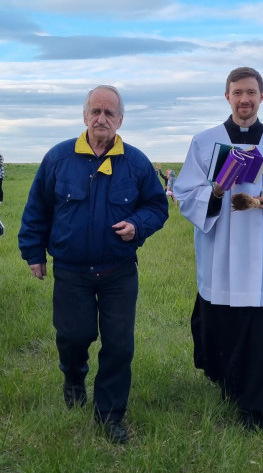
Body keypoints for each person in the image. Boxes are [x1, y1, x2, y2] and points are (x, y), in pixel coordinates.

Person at [18, 85, 168, 443]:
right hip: (71, 271)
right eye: (95, 111)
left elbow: (157, 206)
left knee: (119, 345)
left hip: (118, 272)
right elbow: (37, 209)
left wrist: (138, 225)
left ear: (120, 119)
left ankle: (110, 415)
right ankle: (73, 376)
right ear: (85, 116)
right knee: (73, 335)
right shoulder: (58, 158)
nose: (102, 119)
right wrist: (33, 253)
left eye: (109, 113)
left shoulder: (135, 162)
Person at [174, 67, 263, 430]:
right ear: (227, 96)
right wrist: (215, 191)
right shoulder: (205, 141)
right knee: (220, 323)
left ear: (262, 96)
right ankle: (227, 384)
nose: (244, 99)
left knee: (262, 329)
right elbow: (184, 192)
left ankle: (255, 405)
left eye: (251, 92)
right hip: (220, 250)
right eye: (237, 92)